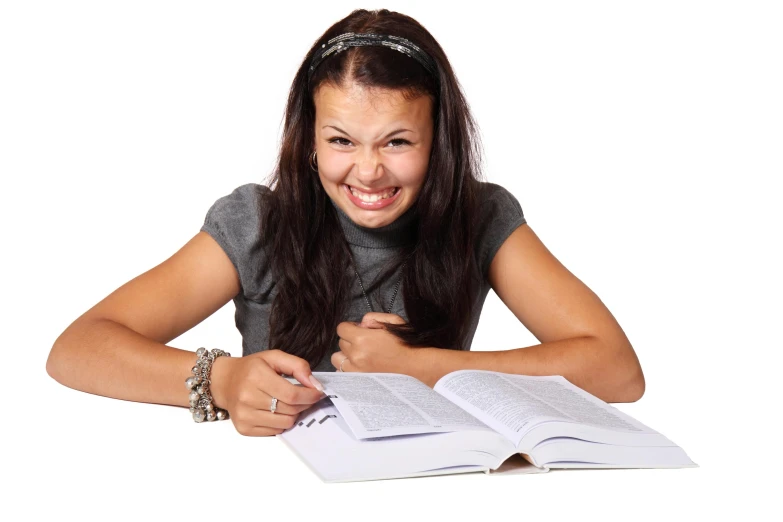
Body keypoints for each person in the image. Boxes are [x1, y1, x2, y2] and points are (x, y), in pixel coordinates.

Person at [46, 9, 645, 437]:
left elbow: (616, 370)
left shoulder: (480, 217)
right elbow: (78, 348)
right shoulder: (258, 222)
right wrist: (223, 381)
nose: (368, 170)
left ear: (439, 144)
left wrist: (424, 366)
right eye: (341, 140)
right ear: (308, 140)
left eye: (398, 141)